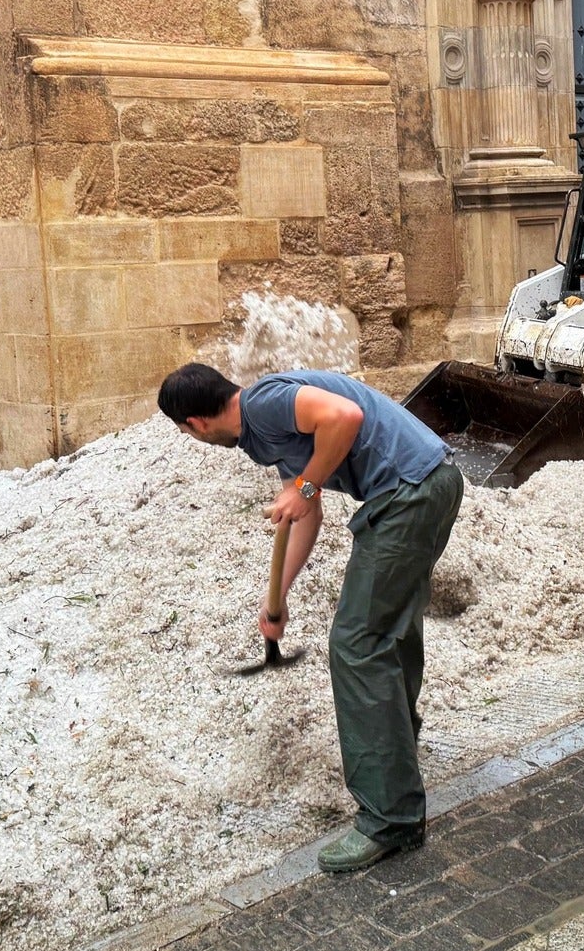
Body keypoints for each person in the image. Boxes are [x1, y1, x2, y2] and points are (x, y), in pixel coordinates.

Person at [158, 362, 464, 874]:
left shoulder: (263, 404)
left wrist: (301, 486)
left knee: (357, 644)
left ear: (195, 424)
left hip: (409, 494)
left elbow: (342, 417)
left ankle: (390, 819)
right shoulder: (260, 432)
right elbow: (309, 511)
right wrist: (275, 599)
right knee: (388, 628)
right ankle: (396, 746)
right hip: (425, 486)